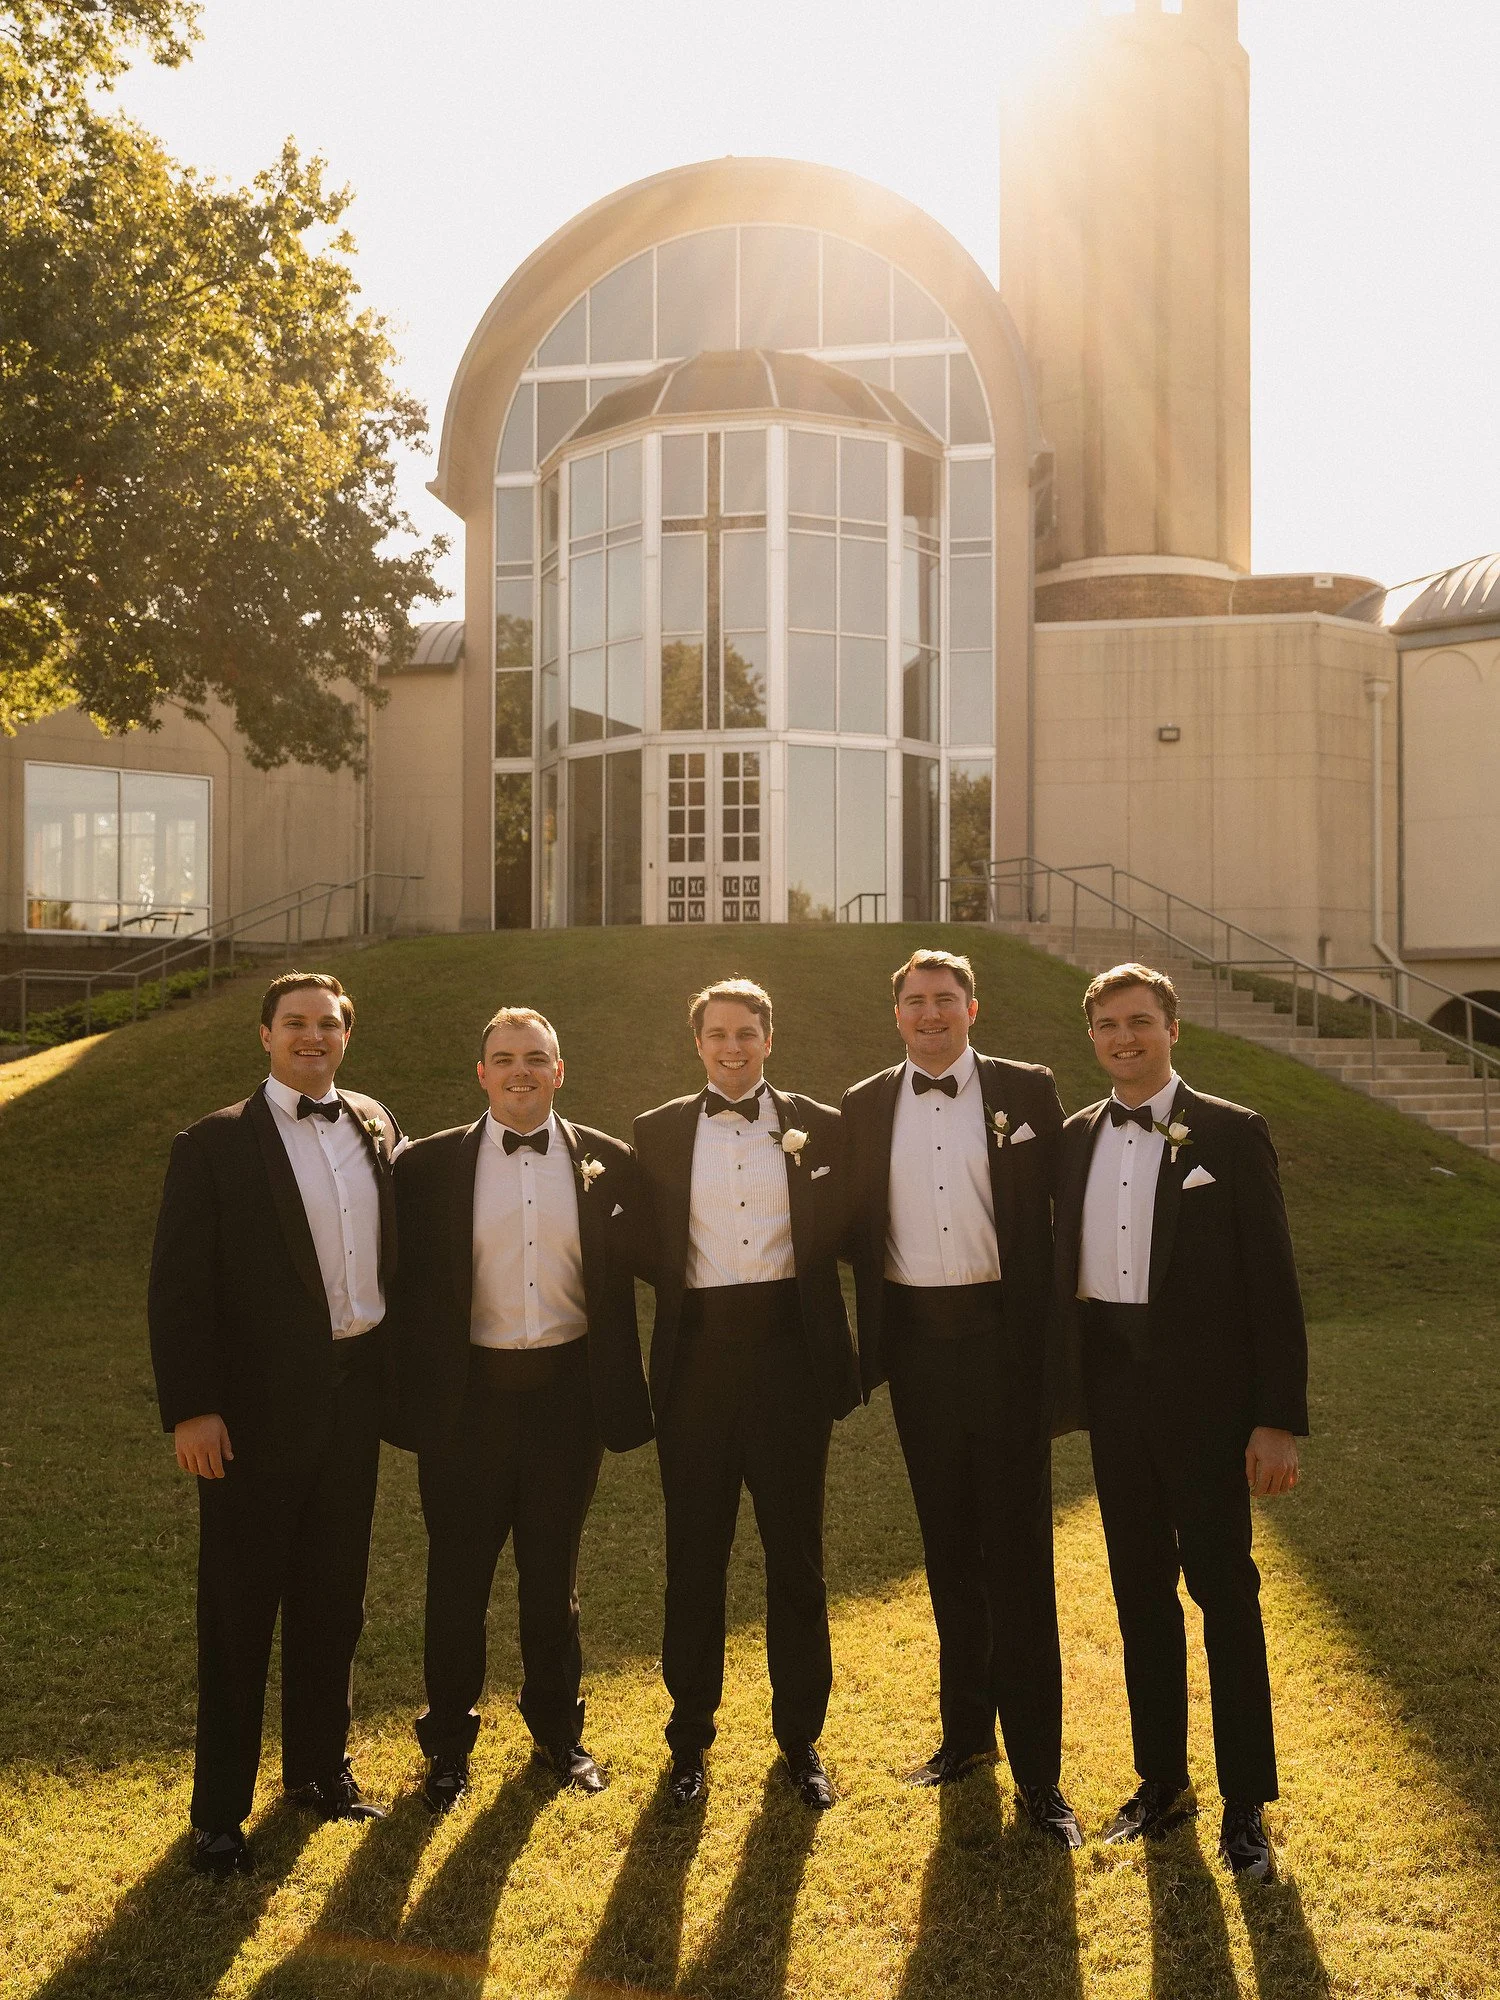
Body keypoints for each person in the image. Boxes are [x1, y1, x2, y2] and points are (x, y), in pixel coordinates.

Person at [148, 971, 404, 1877]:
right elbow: (180, 1290)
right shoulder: (213, 1145)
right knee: (238, 1611)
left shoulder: (375, 1125)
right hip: (247, 1421)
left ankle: (317, 1774)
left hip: (354, 1401)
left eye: (327, 1024)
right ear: (265, 1035)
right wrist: (192, 1408)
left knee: (334, 1598)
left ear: (346, 1033)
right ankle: (217, 1813)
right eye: (293, 1023)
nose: (311, 1037)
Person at [1055, 963, 1308, 1879]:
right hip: (1114, 1404)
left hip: (1209, 1411)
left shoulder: (1233, 1135)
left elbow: (1274, 1288)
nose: (1125, 1038)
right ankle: (1162, 1781)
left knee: (1225, 1597)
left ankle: (1245, 1803)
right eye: (1109, 1026)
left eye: (1141, 1022)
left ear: (1172, 1028)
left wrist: (1275, 1421)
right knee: (1137, 1598)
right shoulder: (1075, 1137)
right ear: (1092, 1038)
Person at [840, 949, 1080, 1847]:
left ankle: (1042, 1774)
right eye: (915, 1002)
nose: (930, 1014)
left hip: (1008, 1352)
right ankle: (966, 1738)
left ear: (972, 1007)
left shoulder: (1030, 1089)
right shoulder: (863, 1106)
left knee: (1020, 1560)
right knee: (947, 1552)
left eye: (946, 1000)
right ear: (896, 1013)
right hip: (919, 1359)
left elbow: (1071, 1206)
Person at [390, 1008, 652, 1811]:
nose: (520, 1072)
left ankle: (558, 1735)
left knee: (552, 1577)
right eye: (503, 1059)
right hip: (465, 1404)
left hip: (567, 1401)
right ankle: (446, 1749)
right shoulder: (426, 1168)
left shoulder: (608, 1162)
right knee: (458, 1578)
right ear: (481, 1074)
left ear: (560, 1069)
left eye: (536, 1058)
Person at [633, 979, 859, 1809]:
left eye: (748, 1032)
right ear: (697, 1042)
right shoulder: (654, 1134)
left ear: (771, 1037)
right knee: (695, 1560)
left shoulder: (823, 1128)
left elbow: (857, 1231)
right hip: (694, 1372)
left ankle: (801, 1741)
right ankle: (689, 1739)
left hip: (790, 1369)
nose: (733, 1046)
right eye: (718, 1033)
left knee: (795, 1559)